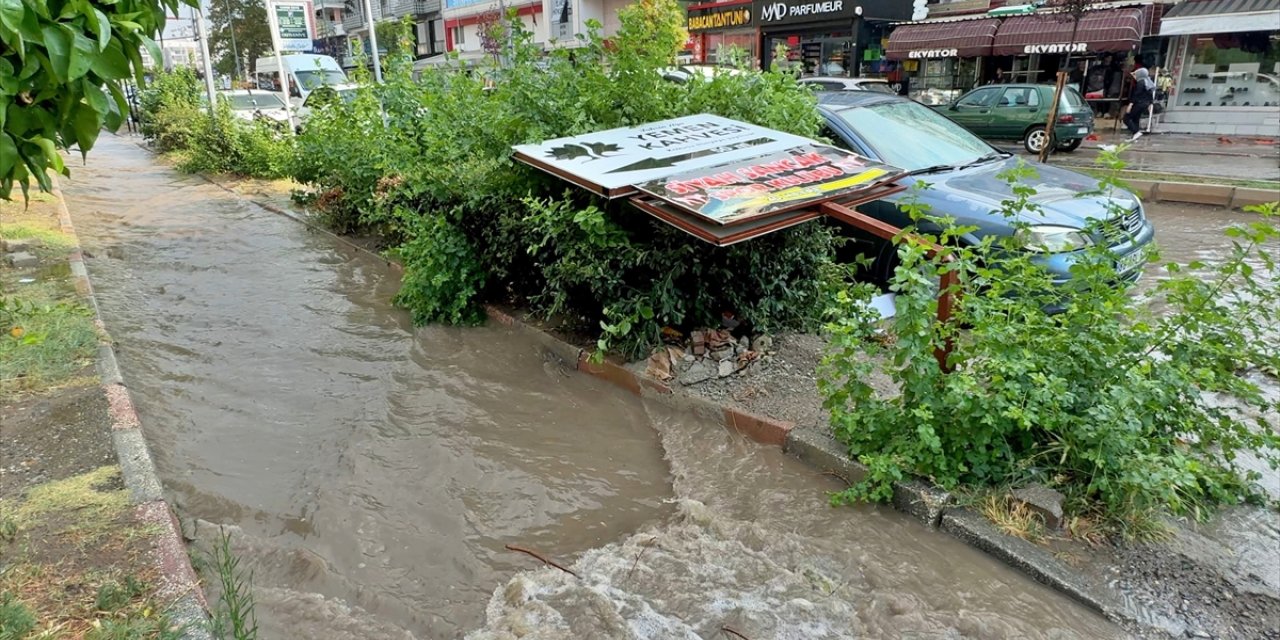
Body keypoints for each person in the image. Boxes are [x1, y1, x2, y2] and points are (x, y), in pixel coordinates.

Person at [1124, 67, 1155, 141]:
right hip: (1144, 104)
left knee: (1127, 118)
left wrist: (1130, 104)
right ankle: (1135, 137)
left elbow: (1136, 94)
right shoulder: (1148, 82)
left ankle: (1136, 132)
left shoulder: (1141, 82)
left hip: (1139, 103)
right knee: (1136, 119)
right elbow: (1150, 94)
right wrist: (1150, 104)